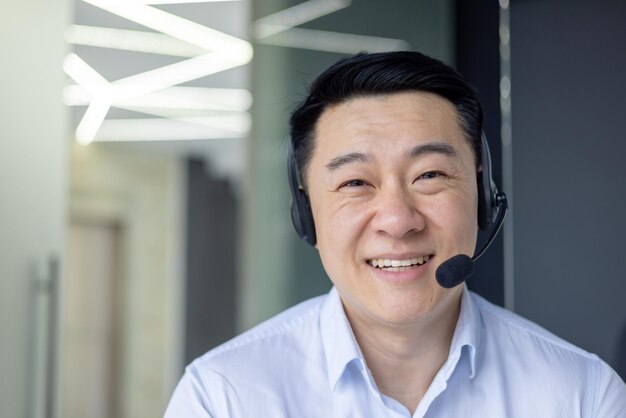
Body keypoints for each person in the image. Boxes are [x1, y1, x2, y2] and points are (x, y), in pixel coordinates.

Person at [164, 51, 626, 417]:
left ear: (483, 194)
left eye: (429, 175)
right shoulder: (222, 397)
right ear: (306, 212)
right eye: (355, 183)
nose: (398, 220)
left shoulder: (583, 394)